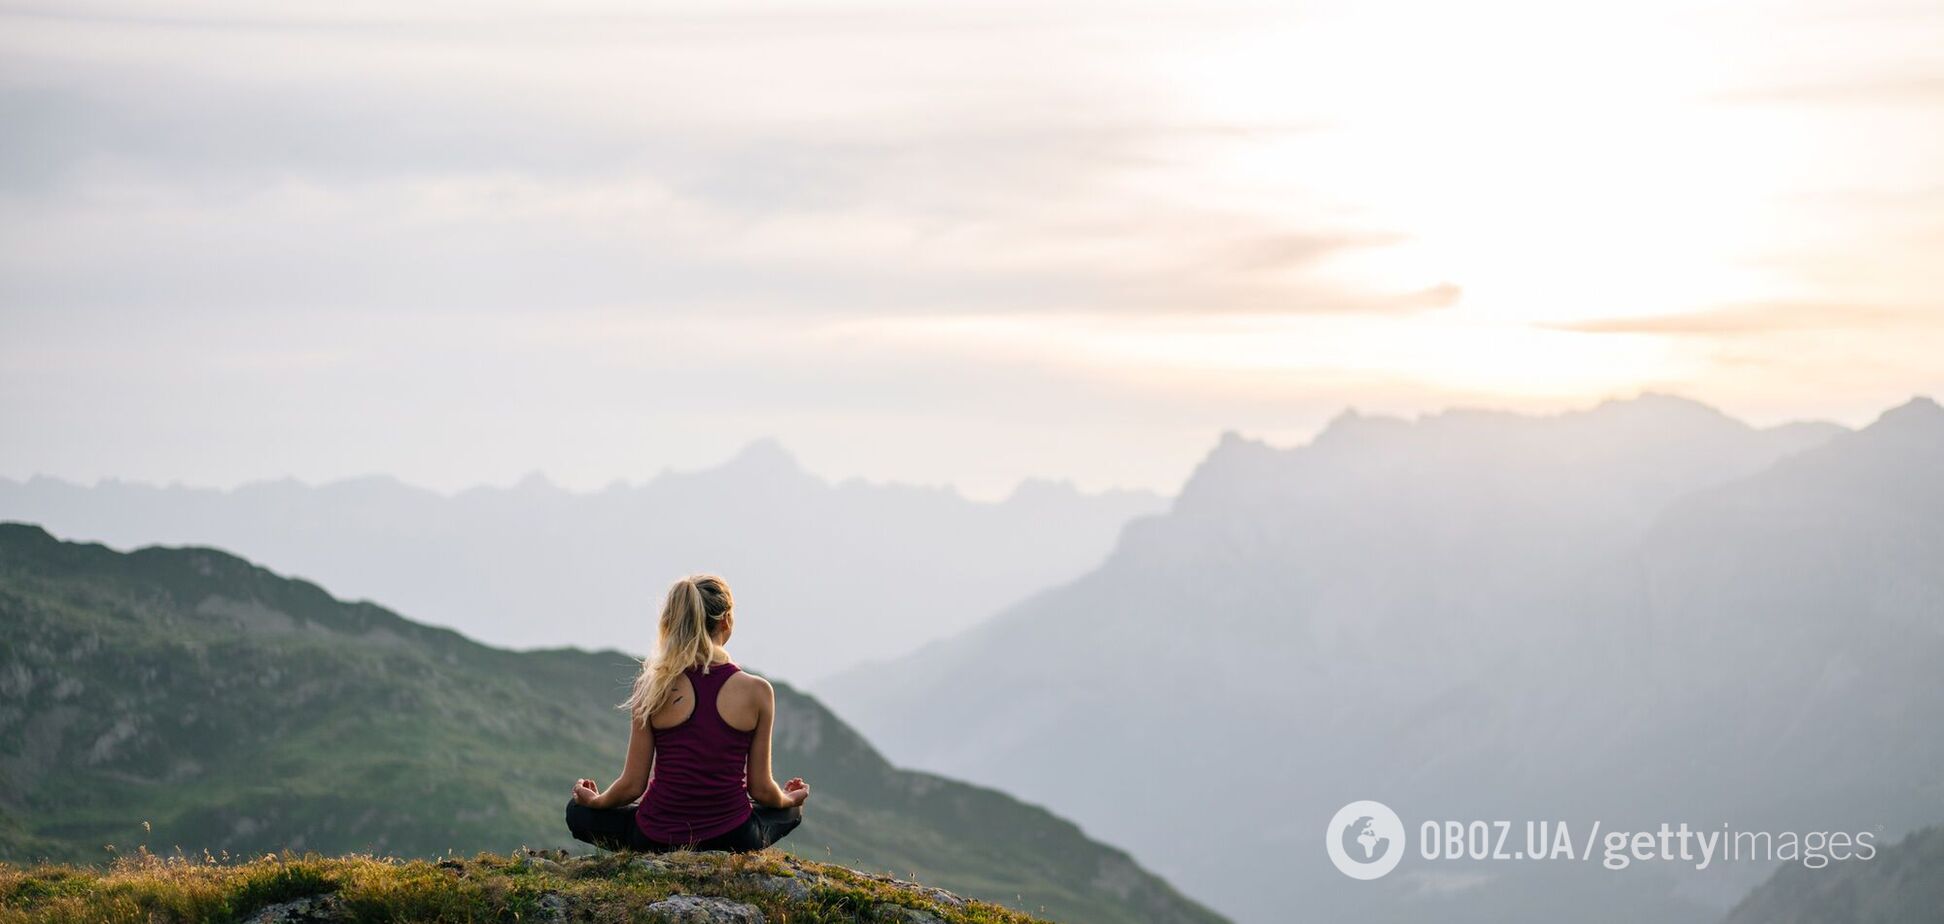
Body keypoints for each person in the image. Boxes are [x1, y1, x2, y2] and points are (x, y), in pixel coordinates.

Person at [564, 574, 809, 852]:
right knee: (790, 813)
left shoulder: (654, 686)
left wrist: (596, 802)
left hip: (656, 838)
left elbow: (632, 786)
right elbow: (762, 790)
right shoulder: (758, 691)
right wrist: (790, 799)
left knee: (577, 812)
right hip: (735, 837)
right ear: (726, 620)